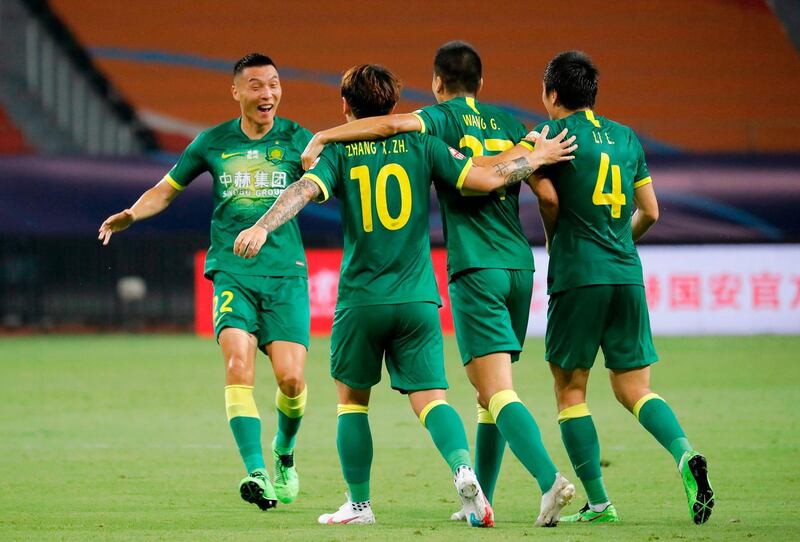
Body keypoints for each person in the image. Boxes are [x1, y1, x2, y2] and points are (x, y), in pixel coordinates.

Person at [233, 64, 576, 527]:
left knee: (352, 402)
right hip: (418, 296)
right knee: (433, 398)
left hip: (362, 298)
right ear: (394, 105)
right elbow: (491, 178)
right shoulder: (425, 143)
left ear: (346, 108)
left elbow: (300, 191)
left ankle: (359, 506)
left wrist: (261, 224)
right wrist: (534, 157)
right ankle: (463, 471)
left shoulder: (341, 153)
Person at [98, 53, 312, 511]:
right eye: (256, 85)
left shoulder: (300, 139)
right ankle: (257, 472)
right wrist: (133, 213)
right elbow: (166, 188)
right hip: (232, 271)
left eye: (274, 84)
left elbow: (330, 178)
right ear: (236, 91)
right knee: (238, 365)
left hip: (286, 274)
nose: (267, 94)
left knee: (292, 380)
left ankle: (284, 455)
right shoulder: (213, 142)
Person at [532, 50, 715, 525]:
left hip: (578, 276)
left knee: (570, 391)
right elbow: (651, 211)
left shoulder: (551, 136)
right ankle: (685, 454)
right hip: (626, 274)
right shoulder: (627, 137)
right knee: (635, 388)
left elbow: (549, 199)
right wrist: (617, 243)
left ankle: (599, 504)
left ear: (552, 94)